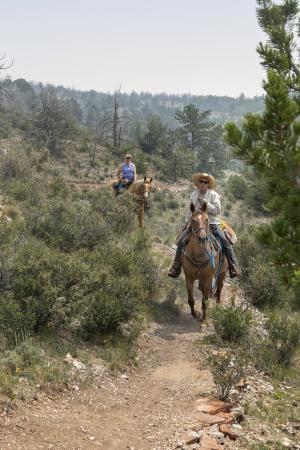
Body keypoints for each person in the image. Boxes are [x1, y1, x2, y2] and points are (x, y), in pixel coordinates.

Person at [168, 172, 241, 279]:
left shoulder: (214, 195)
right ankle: (176, 266)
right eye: (201, 182)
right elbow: (190, 211)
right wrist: (185, 223)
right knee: (181, 241)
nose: (203, 184)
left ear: (208, 184)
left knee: (224, 241)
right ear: (198, 183)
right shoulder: (193, 194)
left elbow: (217, 210)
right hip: (196, 224)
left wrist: (206, 203)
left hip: (211, 223)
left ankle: (233, 266)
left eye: (205, 182)